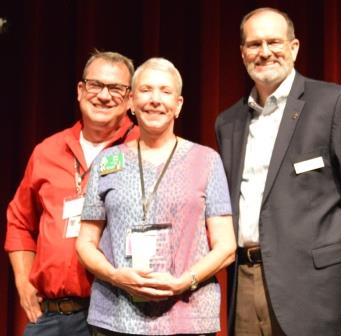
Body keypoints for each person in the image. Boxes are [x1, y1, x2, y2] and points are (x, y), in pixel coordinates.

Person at [215, 7, 341, 336]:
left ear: (294, 47)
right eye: (254, 44)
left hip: (315, 288)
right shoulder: (228, 122)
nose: (264, 52)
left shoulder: (336, 104)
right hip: (246, 283)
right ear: (242, 53)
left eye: (274, 42)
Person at [76, 57, 236, 336]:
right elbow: (86, 243)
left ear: (179, 105)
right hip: (116, 318)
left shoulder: (207, 160)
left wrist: (184, 281)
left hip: (189, 317)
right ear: (131, 102)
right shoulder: (107, 162)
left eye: (165, 91)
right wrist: (116, 276)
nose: (155, 99)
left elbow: (226, 246)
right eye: (146, 90)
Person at [5, 50, 139, 335]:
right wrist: (22, 280)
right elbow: (18, 222)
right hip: (52, 316)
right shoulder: (47, 151)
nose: (104, 96)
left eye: (116, 89)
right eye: (95, 85)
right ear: (80, 90)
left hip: (117, 314)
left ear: (130, 100)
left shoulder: (142, 149)